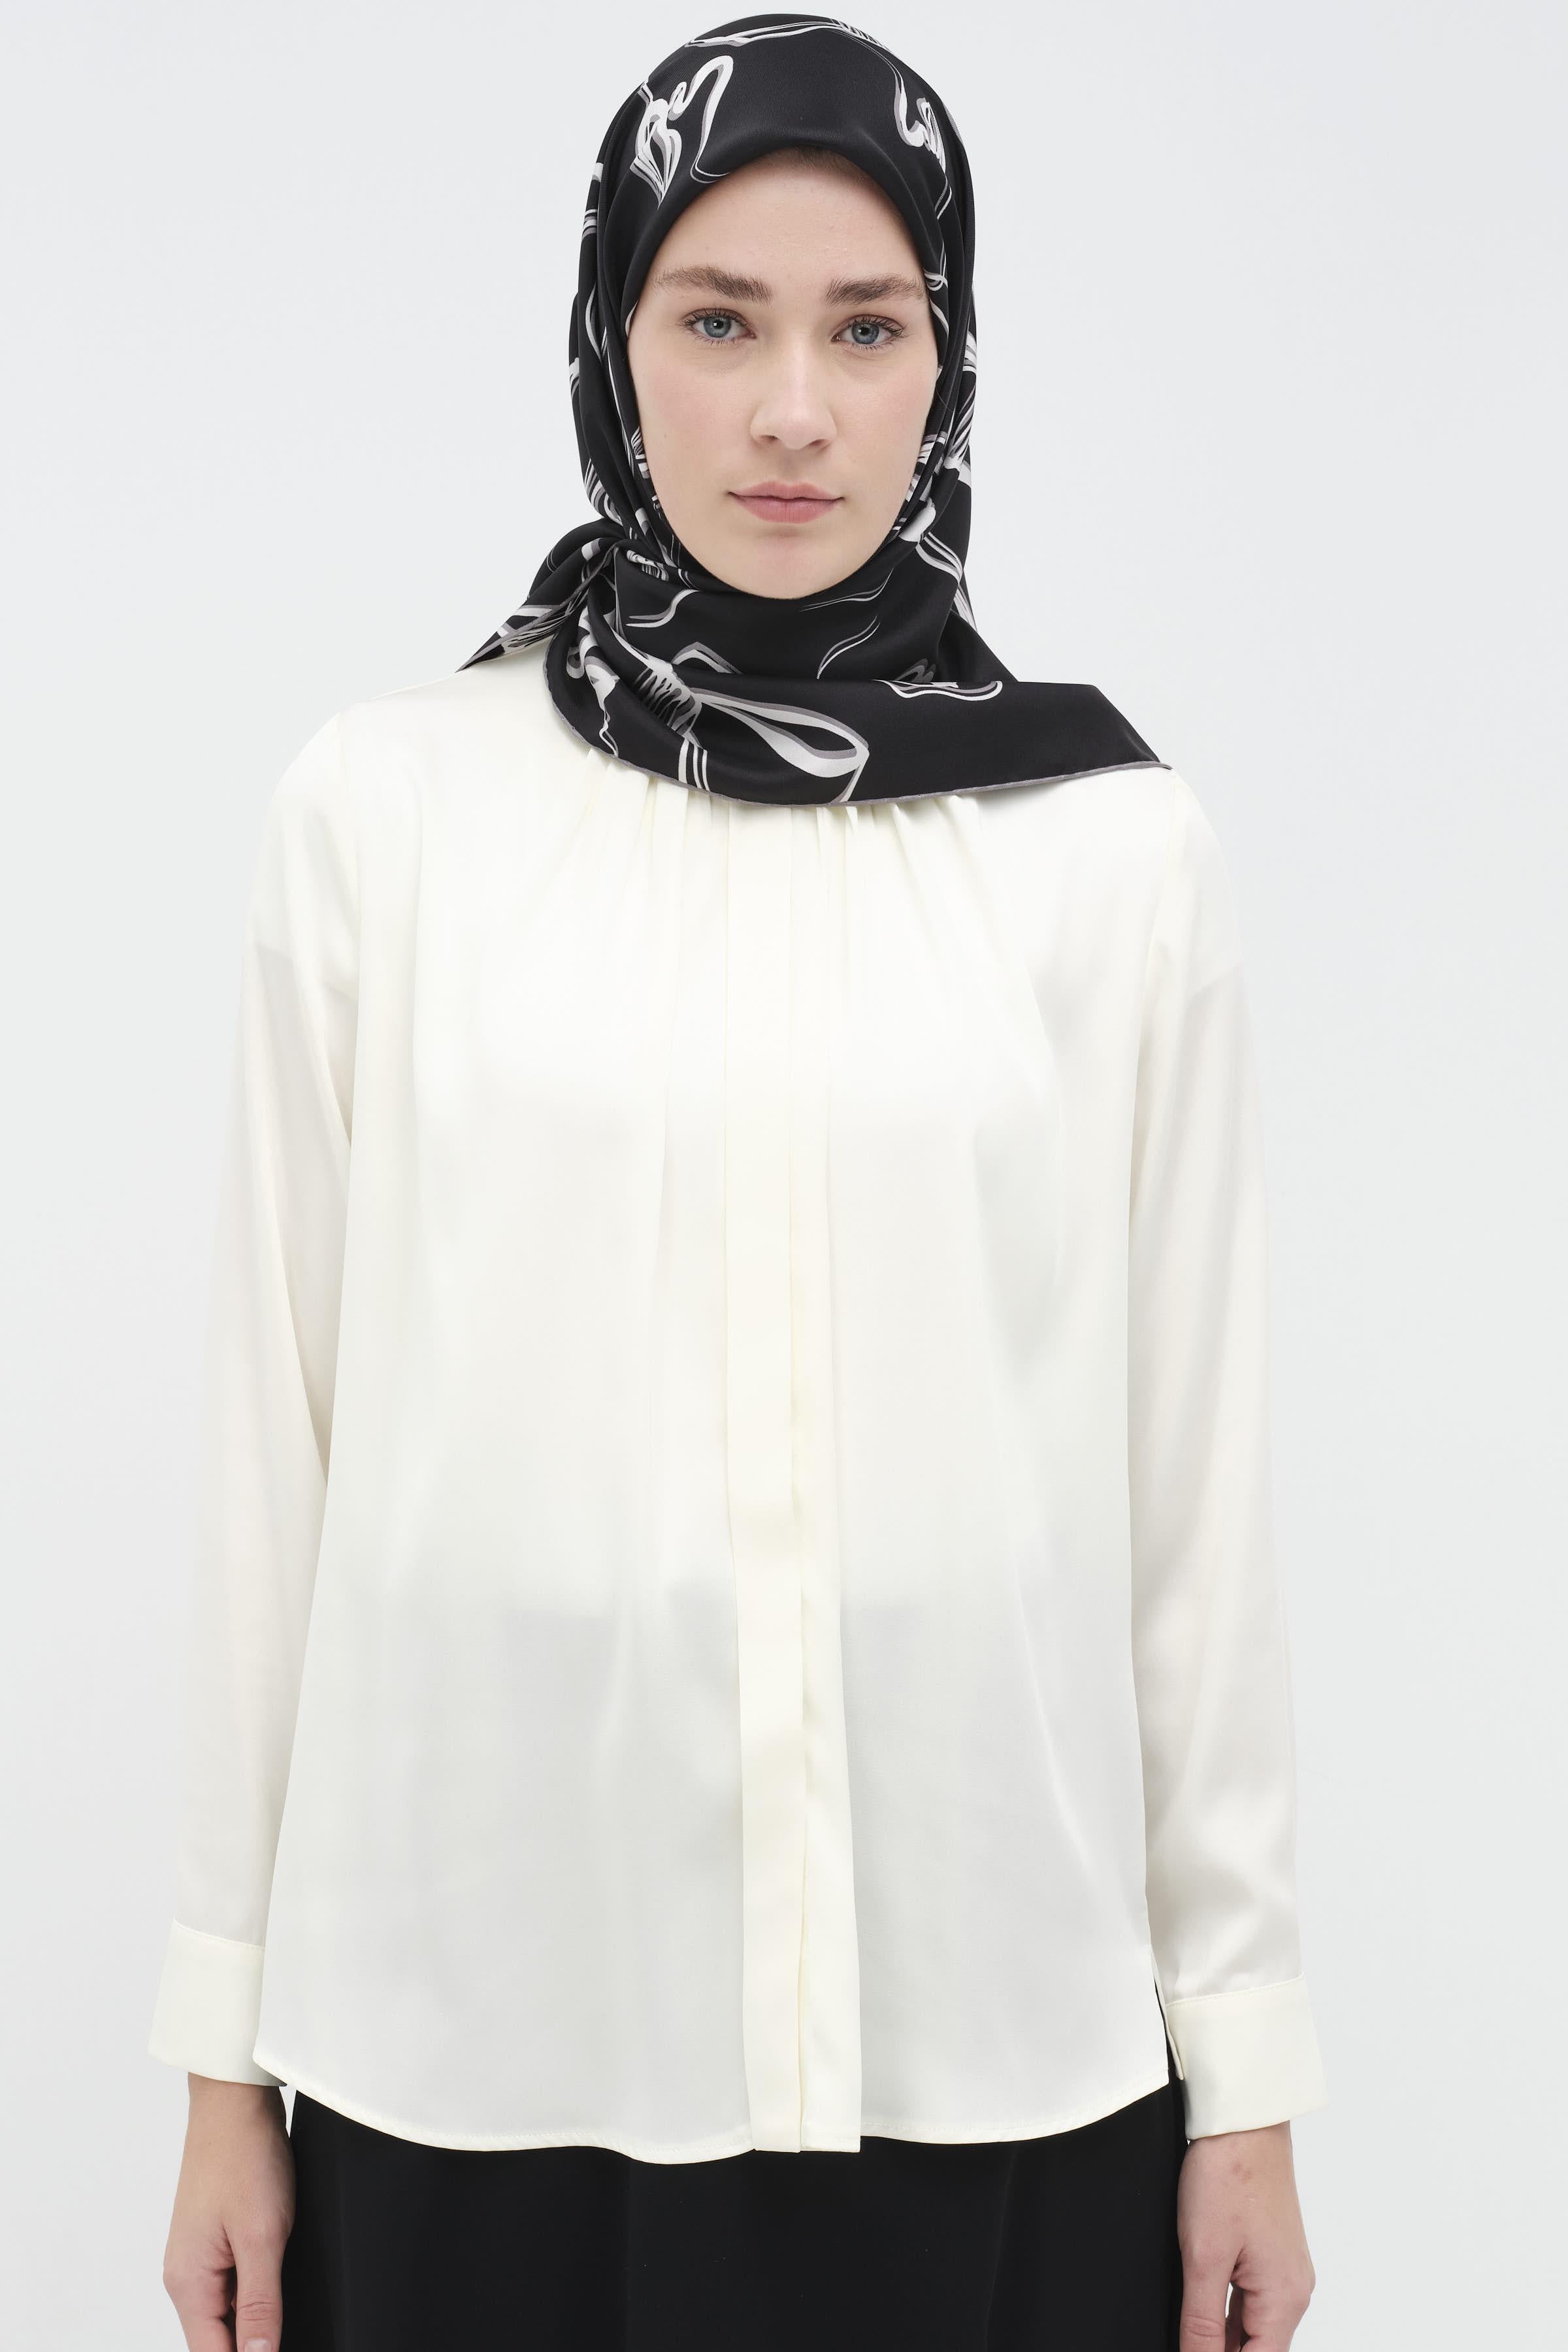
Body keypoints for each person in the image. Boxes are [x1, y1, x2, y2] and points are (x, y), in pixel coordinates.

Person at [151, 15, 1328, 2351]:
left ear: (946, 360)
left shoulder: (1110, 849)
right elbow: (272, 1458)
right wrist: (219, 2062)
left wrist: (1250, 2073)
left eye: (866, 329)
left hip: (990, 2046)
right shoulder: (387, 813)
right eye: (719, 321)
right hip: (474, 2042)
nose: (794, 410)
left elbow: (1190, 1498)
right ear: (614, 342)